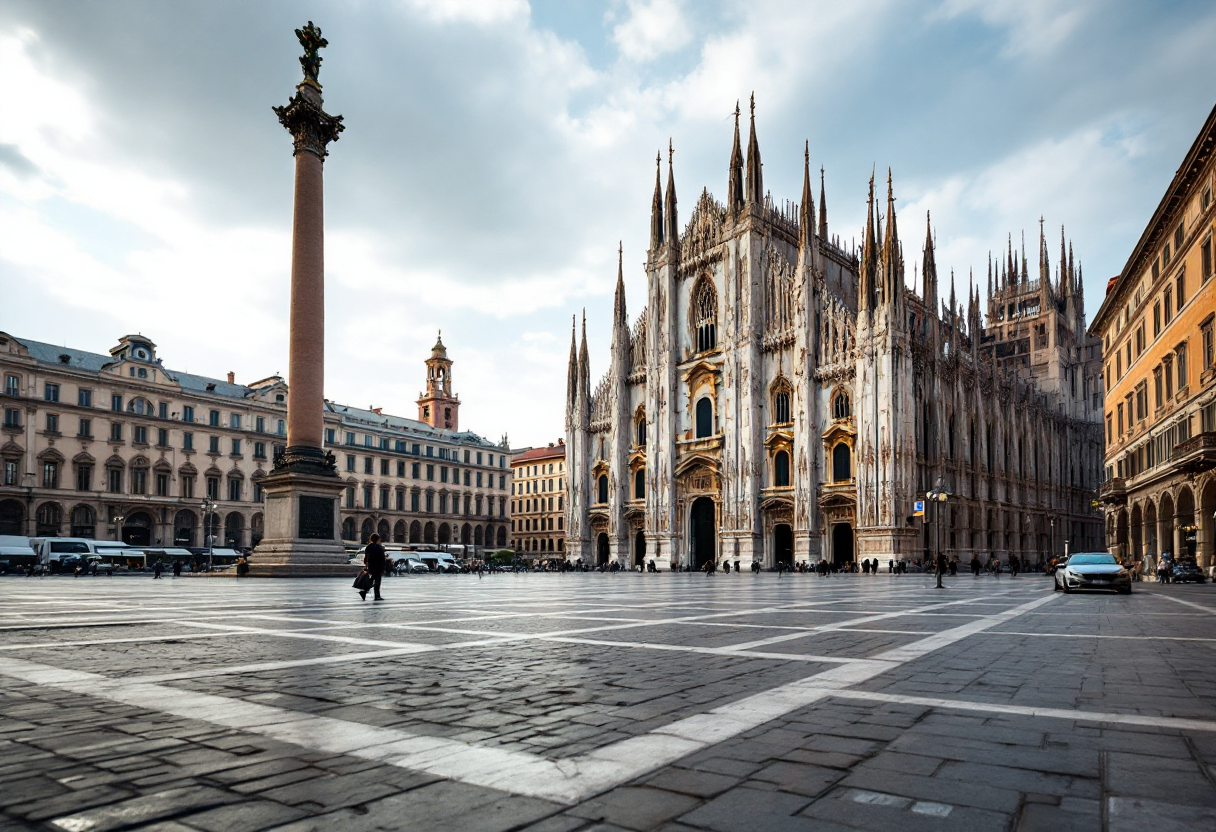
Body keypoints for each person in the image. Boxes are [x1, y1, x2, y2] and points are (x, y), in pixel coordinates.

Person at [361, 533, 386, 601]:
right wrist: (383, 567)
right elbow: (382, 558)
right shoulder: (379, 547)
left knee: (371, 580)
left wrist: (366, 565)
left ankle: (364, 592)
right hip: (378, 566)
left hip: (371, 566)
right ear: (377, 539)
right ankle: (377, 595)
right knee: (377, 581)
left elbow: (366, 557)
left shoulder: (368, 546)